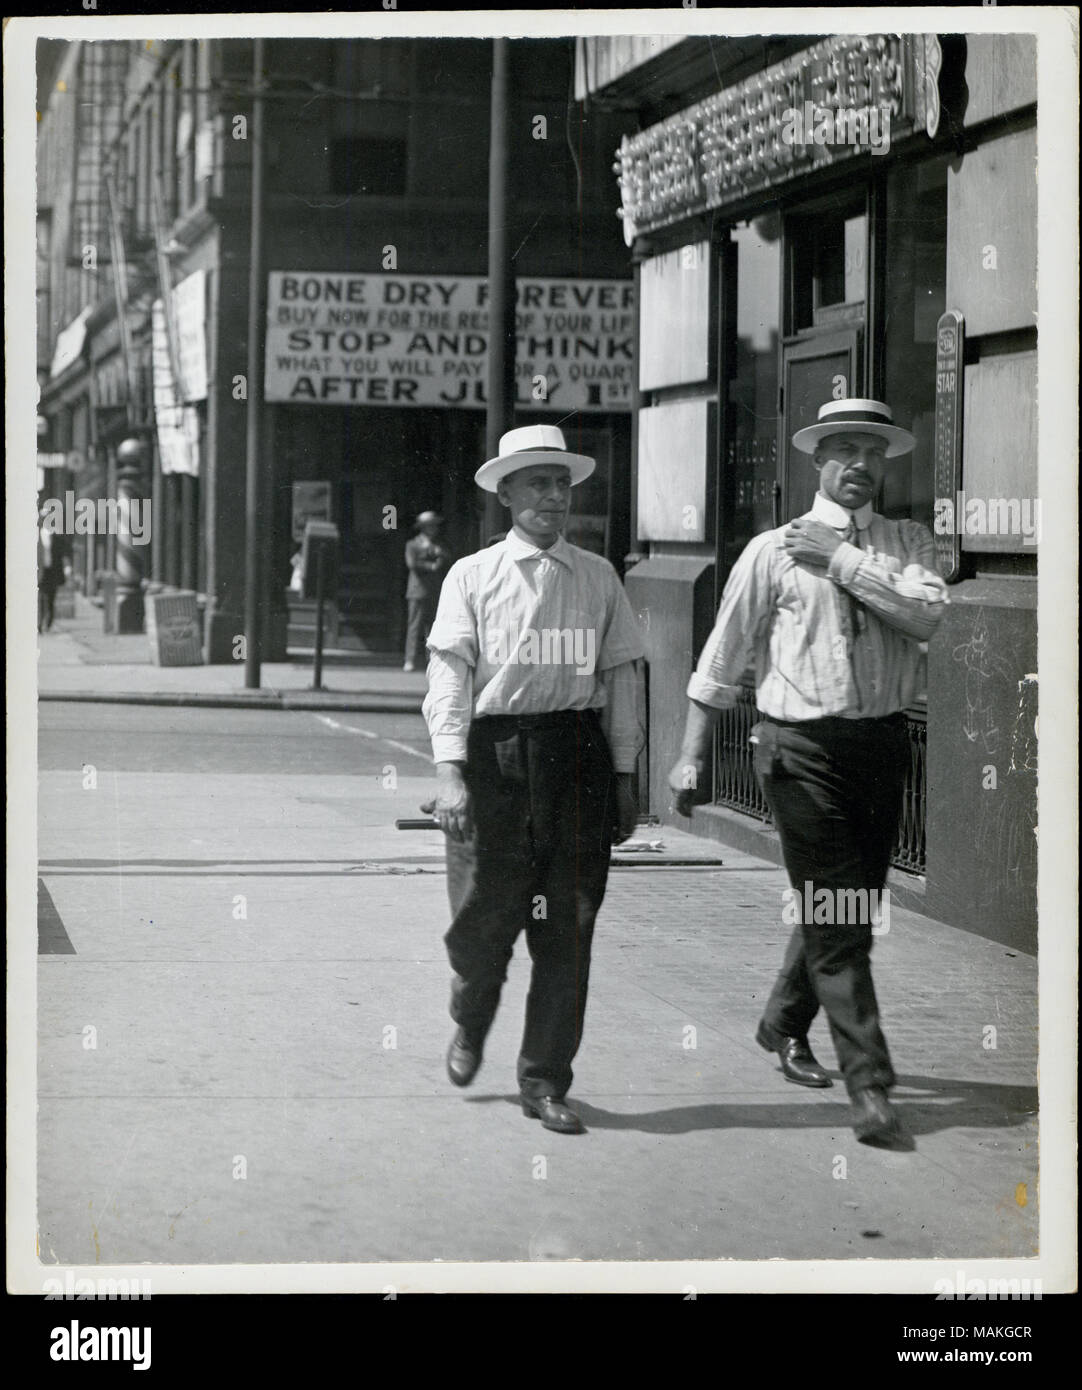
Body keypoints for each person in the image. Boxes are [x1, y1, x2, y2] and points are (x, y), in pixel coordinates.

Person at [668, 399, 948, 1150]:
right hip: (797, 751)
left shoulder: (907, 541)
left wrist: (844, 562)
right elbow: (724, 654)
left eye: (872, 453)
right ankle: (871, 1088)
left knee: (847, 904)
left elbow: (927, 617)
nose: (858, 465)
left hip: (882, 747)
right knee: (839, 915)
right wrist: (692, 749)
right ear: (816, 459)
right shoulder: (771, 551)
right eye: (843, 450)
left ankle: (783, 1022)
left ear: (885, 463)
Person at [422, 425, 644, 1134]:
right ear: (507, 493)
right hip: (495, 761)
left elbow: (622, 680)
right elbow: (449, 676)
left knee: (569, 926)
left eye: (562, 483)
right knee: (483, 920)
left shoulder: (599, 576)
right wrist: (450, 772)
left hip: (575, 759)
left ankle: (545, 1079)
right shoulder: (472, 576)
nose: (553, 496)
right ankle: (472, 1007)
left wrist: (625, 773)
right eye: (537, 482)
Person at [403, 511, 452, 671]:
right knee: (414, 626)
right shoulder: (412, 544)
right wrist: (430, 564)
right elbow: (412, 563)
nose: (434, 529)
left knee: (433, 627)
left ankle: (431, 659)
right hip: (417, 589)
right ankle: (409, 659)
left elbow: (448, 557)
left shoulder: (440, 544)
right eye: (430, 526)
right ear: (423, 528)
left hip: (435, 589)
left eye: (435, 526)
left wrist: (440, 555)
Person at [37, 491, 71, 633]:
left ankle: (48, 622)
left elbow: (64, 553)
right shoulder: (36, 537)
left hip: (52, 571)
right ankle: (39, 624)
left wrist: (67, 567)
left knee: (50, 598)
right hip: (39, 571)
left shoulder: (57, 537)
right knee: (40, 599)